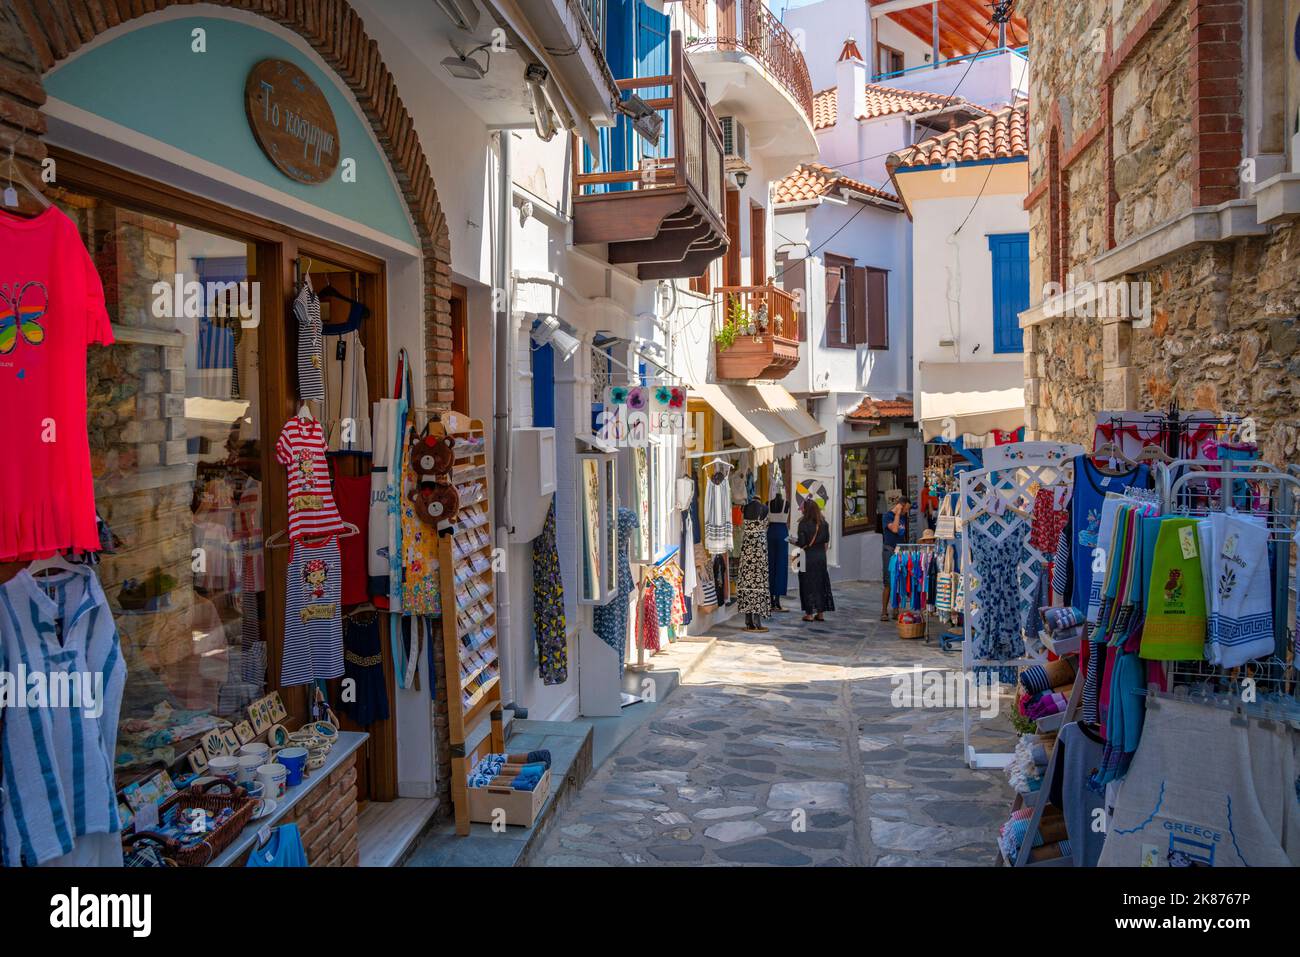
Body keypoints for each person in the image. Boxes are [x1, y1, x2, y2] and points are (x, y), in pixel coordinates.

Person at [794, 498, 834, 621]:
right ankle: (820, 613)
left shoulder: (803, 523)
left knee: (806, 583)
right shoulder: (824, 523)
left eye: (803, 508)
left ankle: (809, 614)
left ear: (807, 510)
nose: (802, 510)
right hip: (821, 557)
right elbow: (826, 544)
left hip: (806, 556)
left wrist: (793, 541)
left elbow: (802, 543)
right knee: (820, 583)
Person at [881, 496, 911, 621]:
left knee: (899, 579)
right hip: (889, 550)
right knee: (888, 581)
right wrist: (898, 514)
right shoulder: (887, 516)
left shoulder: (904, 517)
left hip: (900, 550)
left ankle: (896, 608)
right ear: (901, 505)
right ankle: (884, 611)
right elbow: (894, 529)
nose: (906, 512)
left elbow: (903, 534)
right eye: (906, 508)